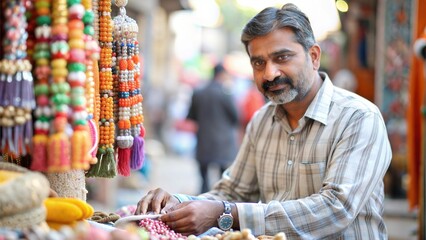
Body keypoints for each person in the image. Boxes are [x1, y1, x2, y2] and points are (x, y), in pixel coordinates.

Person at [135, 3, 392, 239]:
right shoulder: (262, 120)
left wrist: (226, 214)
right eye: (259, 62)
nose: (269, 73)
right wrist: (176, 203)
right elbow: (232, 192)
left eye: (282, 57)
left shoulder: (358, 117)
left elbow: (336, 209)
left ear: (314, 56)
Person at [185, 63, 240, 193]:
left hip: (204, 138)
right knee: (222, 177)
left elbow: (191, 116)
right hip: (223, 141)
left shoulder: (198, 92)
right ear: (221, 75)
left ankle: (202, 200)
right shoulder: (225, 93)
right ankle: (219, 202)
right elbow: (236, 117)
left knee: (204, 179)